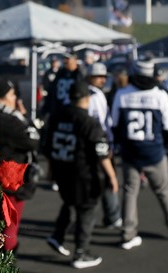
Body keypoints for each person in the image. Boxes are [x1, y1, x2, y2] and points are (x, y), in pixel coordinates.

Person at [110, 60, 168, 250]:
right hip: (153, 151)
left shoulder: (122, 94)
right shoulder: (159, 96)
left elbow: (114, 125)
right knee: (163, 189)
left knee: (130, 192)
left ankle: (128, 233)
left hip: (130, 151)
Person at [43, 81, 119, 269]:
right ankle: (81, 252)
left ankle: (57, 235)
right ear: (87, 99)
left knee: (69, 201)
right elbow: (102, 153)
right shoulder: (88, 122)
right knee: (86, 209)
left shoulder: (57, 116)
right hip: (83, 173)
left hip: (62, 169)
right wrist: (112, 176)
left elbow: (48, 147)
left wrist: (51, 171)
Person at [0, 77, 42, 254]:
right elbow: (33, 140)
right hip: (9, 182)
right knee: (8, 229)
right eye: (12, 94)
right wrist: (26, 120)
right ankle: (6, 262)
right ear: (0, 99)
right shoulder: (5, 120)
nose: (15, 99)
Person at [85, 62, 121, 229]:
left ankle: (110, 216)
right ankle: (112, 216)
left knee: (101, 181)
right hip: (100, 142)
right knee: (106, 180)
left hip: (98, 141)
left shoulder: (94, 93)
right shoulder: (94, 95)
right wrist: (108, 144)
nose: (102, 79)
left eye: (103, 77)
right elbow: (100, 124)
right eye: (98, 76)